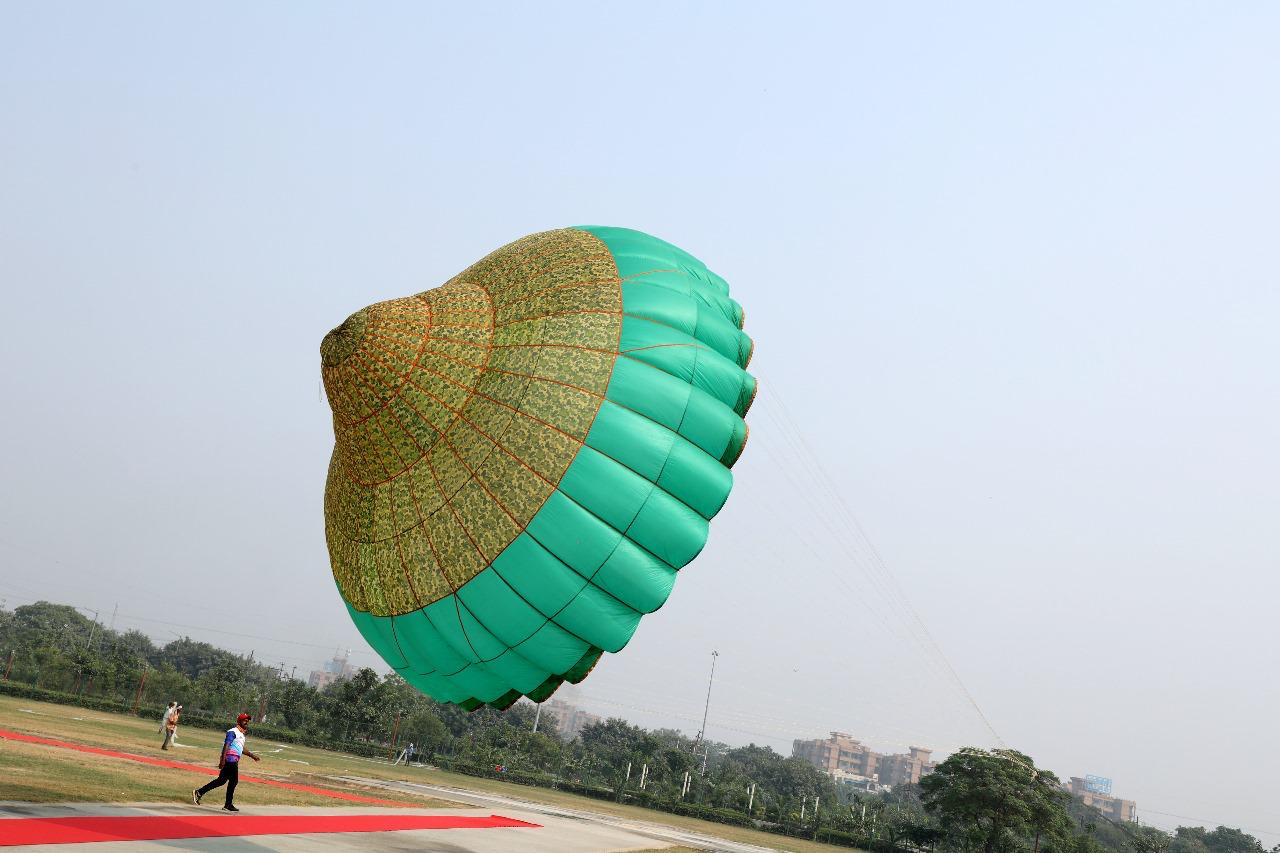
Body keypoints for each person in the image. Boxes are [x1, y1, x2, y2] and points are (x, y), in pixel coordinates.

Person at [193, 713, 259, 811]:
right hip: (230, 760)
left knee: (221, 780)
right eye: (245, 720)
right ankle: (228, 804)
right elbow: (226, 745)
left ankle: (199, 792)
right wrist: (223, 760)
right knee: (233, 781)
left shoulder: (241, 734)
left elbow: (241, 748)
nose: (247, 722)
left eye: (248, 721)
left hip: (233, 760)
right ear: (240, 721)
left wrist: (252, 755)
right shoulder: (233, 732)